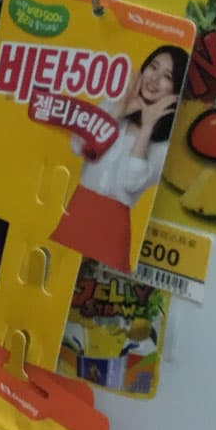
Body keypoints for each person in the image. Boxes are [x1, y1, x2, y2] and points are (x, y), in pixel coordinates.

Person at [50, 45, 187, 271]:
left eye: (167, 76)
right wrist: (119, 111)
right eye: (153, 67)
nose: (154, 79)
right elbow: (79, 145)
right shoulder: (111, 106)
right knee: (56, 271)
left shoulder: (163, 146)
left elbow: (129, 183)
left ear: (176, 89)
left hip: (113, 226)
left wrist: (147, 129)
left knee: (91, 284)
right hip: (77, 209)